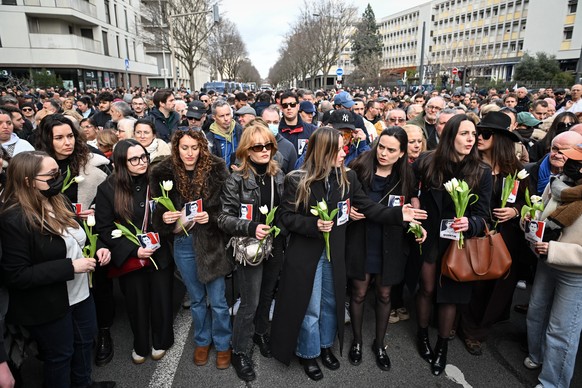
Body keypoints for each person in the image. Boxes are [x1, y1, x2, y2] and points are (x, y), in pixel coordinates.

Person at [270, 127, 426, 381]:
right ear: (323, 153)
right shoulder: (297, 179)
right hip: (307, 254)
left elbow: (369, 208)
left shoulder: (349, 178)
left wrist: (400, 215)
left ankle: (325, 347)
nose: (344, 153)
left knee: (331, 305)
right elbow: (285, 218)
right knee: (310, 307)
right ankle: (308, 354)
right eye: (338, 149)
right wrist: (313, 226)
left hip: (336, 254)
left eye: (344, 148)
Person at [0, 151, 114, 388]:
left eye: (58, 173)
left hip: (81, 294)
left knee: (84, 345)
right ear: (28, 181)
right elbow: (16, 275)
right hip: (49, 304)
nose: (59, 178)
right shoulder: (14, 219)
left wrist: (99, 247)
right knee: (60, 356)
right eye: (51, 175)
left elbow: (78, 236)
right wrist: (70, 267)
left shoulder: (58, 200)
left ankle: (83, 384)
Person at [413, 114, 491, 376]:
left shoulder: (481, 171)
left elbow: (484, 215)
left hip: (458, 243)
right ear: (450, 136)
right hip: (430, 236)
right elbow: (411, 188)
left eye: (473, 134)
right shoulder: (428, 161)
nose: (471, 139)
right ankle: (422, 335)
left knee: (450, 296)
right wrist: (413, 205)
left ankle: (442, 345)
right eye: (464, 134)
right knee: (426, 288)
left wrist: (470, 223)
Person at [150, 130, 233, 370]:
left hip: (211, 241)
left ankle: (223, 343)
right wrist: (164, 217)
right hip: (183, 241)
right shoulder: (163, 172)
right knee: (197, 299)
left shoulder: (217, 169)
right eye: (184, 147)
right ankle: (202, 341)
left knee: (217, 300)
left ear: (202, 148)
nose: (189, 153)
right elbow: (157, 217)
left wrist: (213, 216)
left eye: (194, 148)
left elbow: (228, 208)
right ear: (176, 148)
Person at [346, 127, 425, 371]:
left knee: (384, 294)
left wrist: (417, 223)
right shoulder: (360, 166)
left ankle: (379, 344)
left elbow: (412, 200)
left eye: (391, 150)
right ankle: (357, 341)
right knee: (358, 293)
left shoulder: (406, 175)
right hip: (362, 237)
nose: (383, 153)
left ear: (402, 154)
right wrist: (347, 210)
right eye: (381, 146)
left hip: (390, 240)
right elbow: (342, 194)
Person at [94, 139, 174, 364]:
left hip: (159, 253)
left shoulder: (157, 181)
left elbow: (171, 209)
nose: (142, 162)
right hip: (131, 258)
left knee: (161, 299)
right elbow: (104, 228)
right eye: (134, 159)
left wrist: (167, 220)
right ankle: (140, 343)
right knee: (136, 303)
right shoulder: (108, 188)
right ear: (121, 162)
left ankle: (162, 341)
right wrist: (132, 250)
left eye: (144, 156)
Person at [458, 112, 531, 356]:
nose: (478, 138)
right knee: (471, 279)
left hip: (505, 237)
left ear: (499, 139)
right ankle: (466, 327)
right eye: (477, 133)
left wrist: (514, 211)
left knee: (497, 284)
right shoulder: (468, 165)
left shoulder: (516, 171)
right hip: (474, 233)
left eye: (485, 134)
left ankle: (479, 329)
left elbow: (528, 203)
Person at [218, 122, 285, 382]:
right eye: (258, 146)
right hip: (250, 247)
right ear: (247, 149)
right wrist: (251, 227)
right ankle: (240, 351)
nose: (265, 150)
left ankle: (260, 332)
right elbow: (223, 218)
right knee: (250, 302)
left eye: (268, 144)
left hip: (275, 245)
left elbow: (283, 208)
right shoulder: (236, 179)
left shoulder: (277, 174)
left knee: (267, 295)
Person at [525, 143, 582, 388]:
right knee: (536, 312)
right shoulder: (556, 184)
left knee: (562, 330)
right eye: (571, 159)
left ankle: (553, 383)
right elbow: (541, 216)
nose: (569, 163)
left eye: (577, 161)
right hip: (545, 260)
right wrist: (529, 223)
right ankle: (537, 356)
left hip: (574, 272)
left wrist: (556, 249)